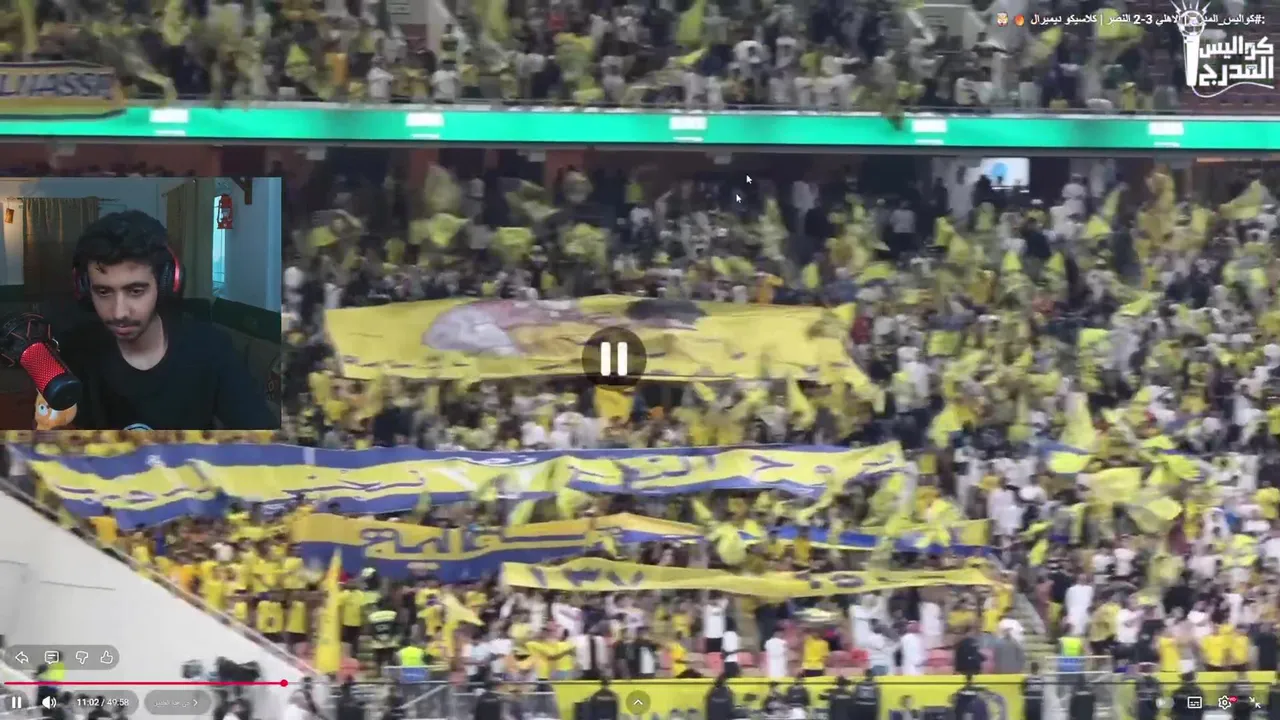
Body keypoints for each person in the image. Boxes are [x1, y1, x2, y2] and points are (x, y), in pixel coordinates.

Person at [61, 210, 276, 430]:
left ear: (166, 284)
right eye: (103, 292)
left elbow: (263, 436)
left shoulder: (212, 349)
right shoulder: (74, 352)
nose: (119, 313)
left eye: (135, 291)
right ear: (85, 290)